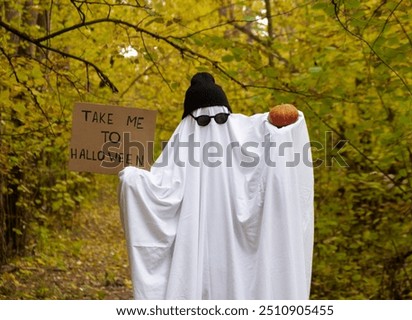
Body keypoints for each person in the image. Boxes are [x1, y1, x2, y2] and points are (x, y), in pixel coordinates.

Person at [118, 72, 314, 299]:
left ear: (228, 115)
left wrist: (286, 124)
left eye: (220, 118)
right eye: (202, 121)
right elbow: (159, 192)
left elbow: (275, 134)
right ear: (189, 122)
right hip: (196, 257)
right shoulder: (182, 145)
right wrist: (132, 179)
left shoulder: (243, 135)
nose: (212, 124)